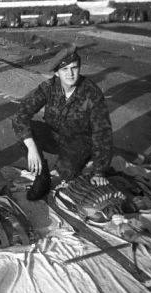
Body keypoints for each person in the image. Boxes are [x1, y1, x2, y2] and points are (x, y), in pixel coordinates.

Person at [12, 44, 113, 201]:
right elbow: (20, 115)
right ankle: (43, 178)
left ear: (79, 68)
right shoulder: (49, 87)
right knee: (25, 137)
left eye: (74, 68)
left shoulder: (91, 93)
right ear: (57, 73)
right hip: (55, 135)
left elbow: (102, 133)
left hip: (79, 141)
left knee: (66, 172)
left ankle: (81, 162)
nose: (71, 74)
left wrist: (99, 171)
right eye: (65, 70)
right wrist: (32, 147)